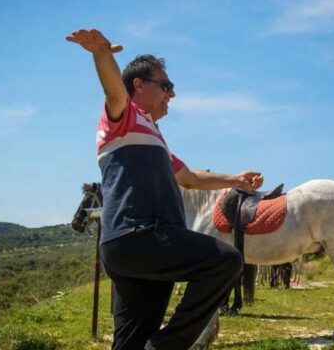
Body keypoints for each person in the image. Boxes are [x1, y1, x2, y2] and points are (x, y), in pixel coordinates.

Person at [66, 28, 264, 350]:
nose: (172, 94)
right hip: (141, 235)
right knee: (225, 261)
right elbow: (115, 93)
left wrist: (235, 180)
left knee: (131, 341)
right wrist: (101, 55)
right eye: (166, 86)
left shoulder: (154, 137)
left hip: (134, 245)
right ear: (139, 86)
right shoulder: (124, 116)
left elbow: (190, 178)